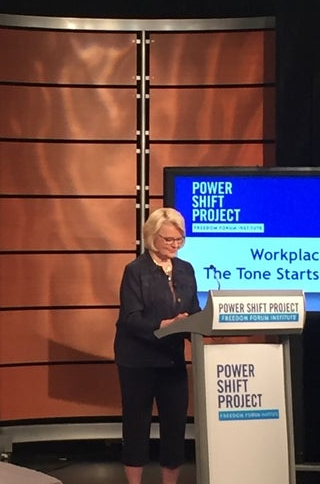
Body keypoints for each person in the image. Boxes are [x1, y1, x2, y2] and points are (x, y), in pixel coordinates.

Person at [114, 207, 201, 484]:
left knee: (175, 427)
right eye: (168, 240)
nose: (175, 245)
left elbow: (193, 310)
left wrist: (206, 325)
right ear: (152, 238)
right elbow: (130, 318)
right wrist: (164, 324)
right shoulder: (135, 271)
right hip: (138, 361)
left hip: (172, 359)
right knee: (137, 426)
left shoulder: (186, 270)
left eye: (179, 240)